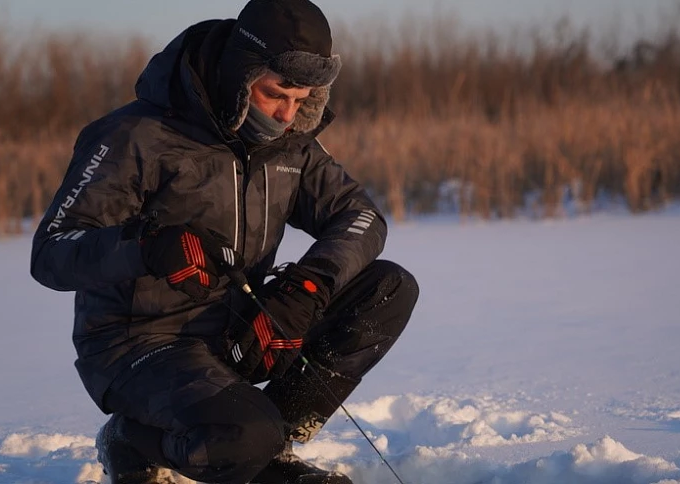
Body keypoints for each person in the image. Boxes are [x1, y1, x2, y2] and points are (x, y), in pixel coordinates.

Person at [29, 0, 419, 483]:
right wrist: (148, 245)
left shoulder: (291, 142)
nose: (287, 114)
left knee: (388, 287)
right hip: (138, 346)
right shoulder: (135, 137)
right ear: (241, 74)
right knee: (244, 437)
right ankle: (134, 438)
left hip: (237, 329)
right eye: (276, 95)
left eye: (302, 100)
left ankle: (271, 442)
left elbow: (360, 216)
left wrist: (308, 287)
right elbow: (51, 252)